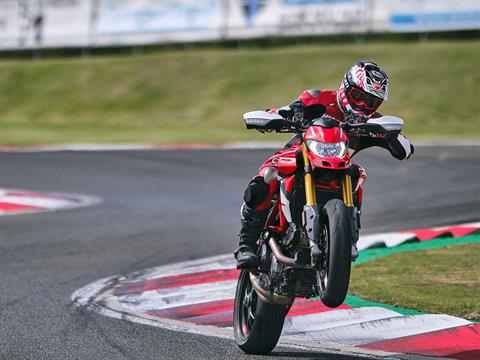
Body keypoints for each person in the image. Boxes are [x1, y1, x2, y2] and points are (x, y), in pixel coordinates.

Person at [234, 60, 414, 269]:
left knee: (358, 176)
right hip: (300, 155)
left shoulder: (372, 122)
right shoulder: (318, 98)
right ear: (346, 87)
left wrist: (391, 136)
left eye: (371, 102)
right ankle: (246, 244)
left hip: (339, 166)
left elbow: (406, 150)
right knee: (268, 174)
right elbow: (284, 111)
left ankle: (345, 238)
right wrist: (274, 117)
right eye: (358, 97)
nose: (363, 106)